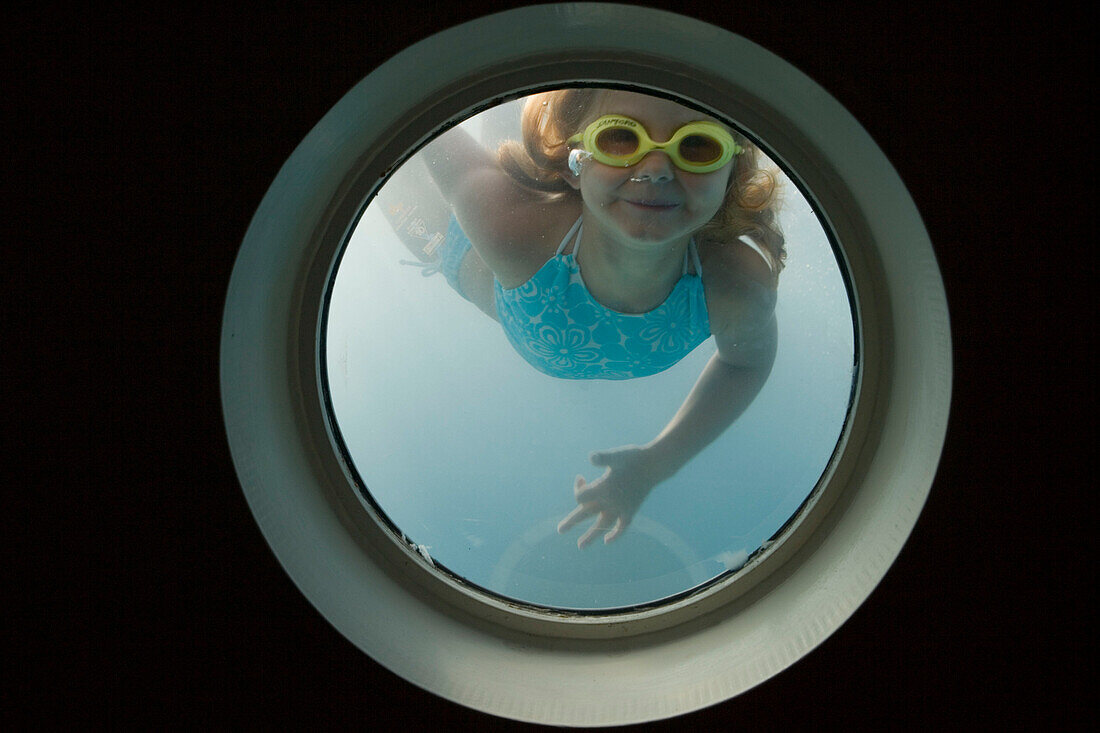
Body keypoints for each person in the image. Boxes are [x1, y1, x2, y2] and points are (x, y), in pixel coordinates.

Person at [383, 88, 785, 548]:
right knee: (392, 162)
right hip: (450, 238)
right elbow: (415, 108)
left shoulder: (735, 287)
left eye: (697, 145)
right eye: (620, 138)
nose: (656, 168)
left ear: (730, 175)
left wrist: (657, 464)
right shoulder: (511, 231)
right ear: (577, 163)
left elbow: (746, 363)